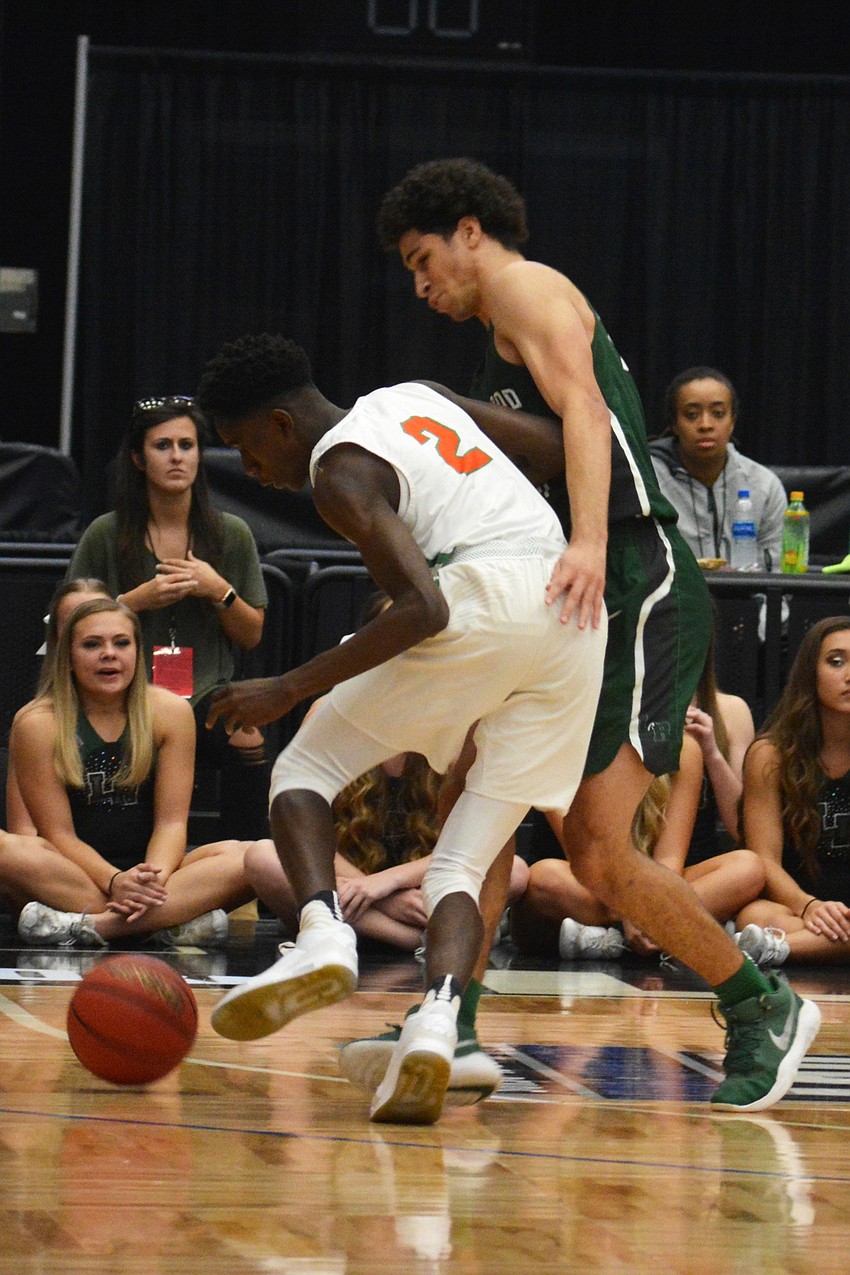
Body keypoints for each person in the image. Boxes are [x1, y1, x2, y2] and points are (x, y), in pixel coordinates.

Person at [371, 155, 819, 1112]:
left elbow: (585, 413)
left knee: (599, 852)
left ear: (470, 231)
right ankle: (451, 1011)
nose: (420, 285)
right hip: (579, 587)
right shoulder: (498, 327)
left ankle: (759, 1003)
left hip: (633, 573)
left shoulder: (525, 287)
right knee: (476, 796)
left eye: (423, 259)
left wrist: (581, 540)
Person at [195, 332, 607, 1125]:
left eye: (245, 449)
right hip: (570, 614)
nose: (250, 471)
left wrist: (287, 685)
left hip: (484, 597)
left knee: (301, 772)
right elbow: (558, 448)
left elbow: (425, 608)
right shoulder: (418, 395)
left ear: (281, 424)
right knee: (461, 859)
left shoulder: (335, 471)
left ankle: (322, 935)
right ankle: (438, 1023)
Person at [67, 395, 271, 841]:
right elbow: (67, 624)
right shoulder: (106, 532)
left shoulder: (230, 533)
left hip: (205, 691)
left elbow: (252, 634)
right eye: (163, 446)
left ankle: (245, 869)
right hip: (123, 688)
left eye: (187, 444)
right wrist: (132, 601)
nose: (177, 456)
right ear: (139, 458)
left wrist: (219, 590)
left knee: (248, 739)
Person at [0, 597, 256, 947]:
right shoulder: (36, 722)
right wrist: (115, 880)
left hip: (157, 874)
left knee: (249, 857)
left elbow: (171, 824)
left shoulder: (170, 712)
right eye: (92, 645)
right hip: (74, 875)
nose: (109, 654)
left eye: (122, 643)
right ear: (69, 658)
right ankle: (169, 924)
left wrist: (151, 882)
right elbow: (59, 835)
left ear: (138, 652)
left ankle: (92, 927)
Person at [515, 636, 764, 959]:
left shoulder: (684, 747)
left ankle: (614, 939)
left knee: (748, 867)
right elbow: (583, 853)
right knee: (544, 877)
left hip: (651, 884)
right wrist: (632, 909)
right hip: (592, 880)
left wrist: (647, 907)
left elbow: (669, 860)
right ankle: (673, 931)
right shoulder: (561, 733)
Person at [734, 616, 850, 964]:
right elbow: (764, 859)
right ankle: (796, 943)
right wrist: (809, 905)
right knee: (753, 916)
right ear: (809, 674)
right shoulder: (771, 755)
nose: (849, 674)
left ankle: (775, 949)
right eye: (836, 661)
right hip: (794, 907)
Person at [649, 367, 787, 570]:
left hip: (747, 600)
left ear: (732, 421)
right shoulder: (649, 482)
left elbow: (778, 574)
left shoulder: (764, 485)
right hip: (673, 600)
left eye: (718, 413)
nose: (706, 424)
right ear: (674, 424)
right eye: (692, 414)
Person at [6, 577, 112, 837]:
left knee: (229, 855)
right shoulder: (35, 722)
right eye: (76, 627)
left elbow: (171, 825)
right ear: (58, 643)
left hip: (141, 866)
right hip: (60, 866)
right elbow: (24, 832)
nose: (104, 650)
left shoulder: (162, 712)